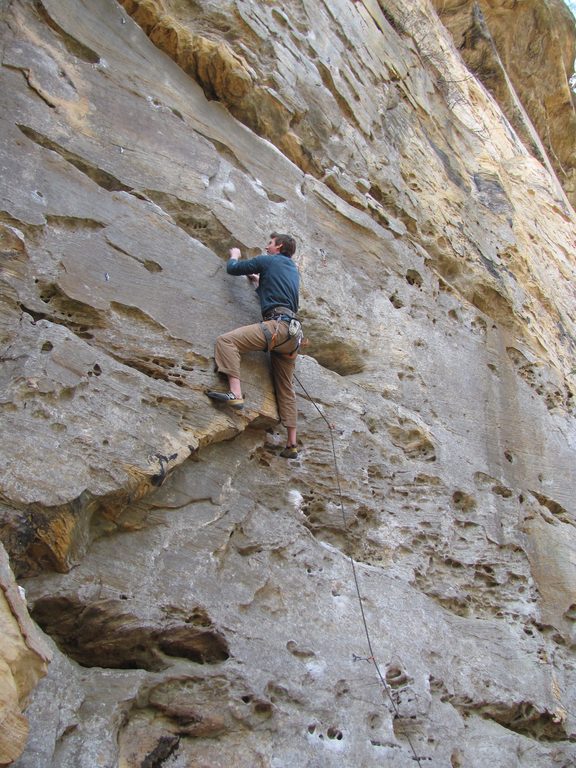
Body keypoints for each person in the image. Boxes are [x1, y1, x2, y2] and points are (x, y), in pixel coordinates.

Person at [206, 233, 302, 459]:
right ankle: (291, 443)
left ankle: (235, 393)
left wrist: (234, 256)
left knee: (226, 341)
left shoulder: (268, 260)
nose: (266, 246)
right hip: (293, 335)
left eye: (270, 243)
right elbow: (276, 291)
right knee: (286, 387)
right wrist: (258, 280)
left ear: (278, 246)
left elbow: (232, 269)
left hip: (277, 328)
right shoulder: (292, 271)